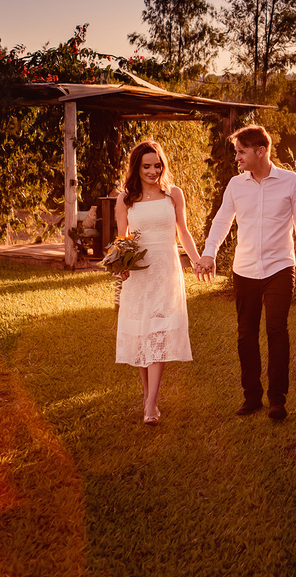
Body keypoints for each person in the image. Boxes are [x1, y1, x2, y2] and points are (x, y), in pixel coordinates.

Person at [196, 125, 296, 420]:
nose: (237, 158)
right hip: (245, 269)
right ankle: (252, 397)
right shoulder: (236, 185)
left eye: (241, 151)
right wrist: (209, 252)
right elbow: (222, 220)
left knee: (276, 329)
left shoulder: (290, 181)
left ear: (261, 151)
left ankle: (277, 400)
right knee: (246, 334)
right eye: (236, 152)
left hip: (279, 267)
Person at [115, 140, 203, 425]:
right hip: (138, 272)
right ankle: (147, 396)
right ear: (136, 168)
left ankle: (152, 402)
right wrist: (120, 266)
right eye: (147, 166)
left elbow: (184, 233)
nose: (153, 171)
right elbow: (123, 239)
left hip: (166, 270)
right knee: (142, 333)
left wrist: (198, 259)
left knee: (158, 331)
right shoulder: (125, 199)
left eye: (157, 165)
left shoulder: (173, 194)